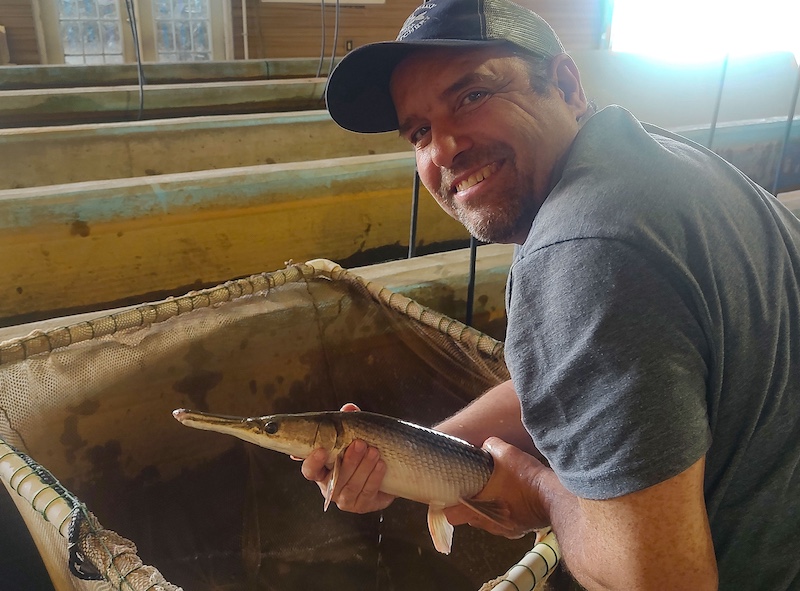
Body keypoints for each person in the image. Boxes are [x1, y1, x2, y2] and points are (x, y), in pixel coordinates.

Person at [301, 0, 800, 588]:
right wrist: (408, 457)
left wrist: (540, 495)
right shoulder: (671, 163)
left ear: (564, 83)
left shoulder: (579, 253)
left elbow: (663, 580)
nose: (445, 149)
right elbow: (590, 378)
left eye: (472, 96)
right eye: (419, 131)